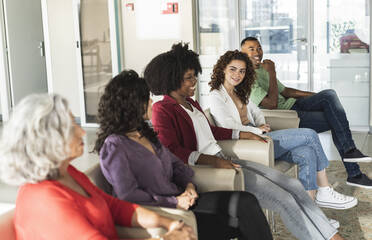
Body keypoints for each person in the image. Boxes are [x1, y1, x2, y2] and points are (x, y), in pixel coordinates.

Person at [144, 42, 345, 240]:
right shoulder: (163, 109)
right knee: (283, 198)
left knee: (293, 186)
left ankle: (333, 236)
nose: (194, 82)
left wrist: (243, 134)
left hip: (223, 157)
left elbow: (211, 131)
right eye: (188, 78)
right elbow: (171, 150)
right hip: (210, 168)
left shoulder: (191, 103)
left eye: (194, 76)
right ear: (171, 79)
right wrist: (213, 161)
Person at [94, 70, 273, 240]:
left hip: (185, 199)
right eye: (146, 99)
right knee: (241, 222)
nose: (151, 102)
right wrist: (174, 202)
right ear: (131, 105)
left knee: (246, 202)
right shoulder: (115, 146)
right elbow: (128, 195)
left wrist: (189, 187)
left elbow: (177, 165)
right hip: (165, 211)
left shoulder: (145, 134)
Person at [0, 93, 196, 240]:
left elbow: (114, 207)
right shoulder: (43, 199)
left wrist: (168, 222)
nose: (82, 132)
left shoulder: (67, 172)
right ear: (47, 140)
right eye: (71, 126)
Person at [208, 50, 357, 211]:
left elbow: (257, 113)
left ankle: (311, 213)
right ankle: (324, 189)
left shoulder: (238, 92)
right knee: (309, 135)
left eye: (242, 71)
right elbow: (228, 126)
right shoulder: (216, 96)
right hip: (247, 143)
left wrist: (260, 126)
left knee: (306, 152)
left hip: (260, 136)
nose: (237, 74)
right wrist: (257, 131)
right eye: (233, 69)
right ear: (223, 68)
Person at [241, 36, 372, 189]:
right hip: (287, 115)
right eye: (251, 49)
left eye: (259, 48)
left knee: (329, 95)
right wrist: (272, 73)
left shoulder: (263, 69)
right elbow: (272, 104)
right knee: (335, 120)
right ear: (242, 53)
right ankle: (353, 170)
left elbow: (286, 91)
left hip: (296, 104)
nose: (257, 52)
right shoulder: (247, 78)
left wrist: (317, 96)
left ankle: (351, 157)